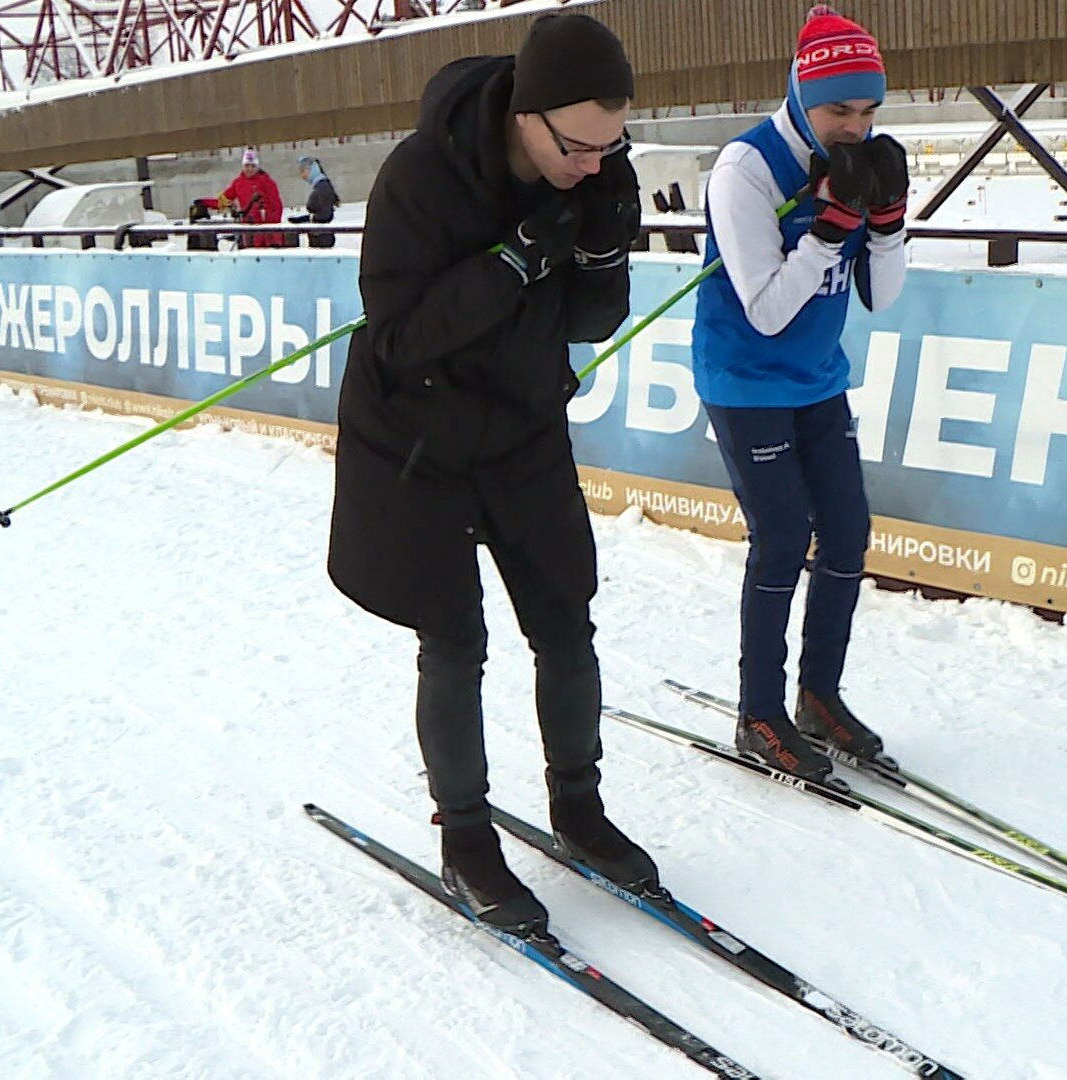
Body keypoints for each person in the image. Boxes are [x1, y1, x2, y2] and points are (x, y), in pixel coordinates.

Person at [326, 13, 651, 933]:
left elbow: (590, 321)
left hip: (522, 427)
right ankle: (467, 839)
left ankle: (579, 810)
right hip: (416, 442)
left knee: (564, 620)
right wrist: (511, 263)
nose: (593, 163)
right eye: (578, 145)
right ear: (526, 112)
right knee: (456, 640)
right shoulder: (420, 178)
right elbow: (396, 340)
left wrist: (599, 251)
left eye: (611, 145)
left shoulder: (595, 169)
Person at [690, 5, 909, 782]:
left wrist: (885, 224)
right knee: (782, 535)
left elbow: (880, 298)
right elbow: (769, 311)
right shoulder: (746, 170)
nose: (854, 127)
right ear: (799, 97)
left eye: (868, 110)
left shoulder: (854, 156)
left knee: (847, 532)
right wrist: (827, 229)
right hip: (747, 378)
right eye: (838, 110)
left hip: (819, 377)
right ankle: (758, 711)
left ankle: (819, 695)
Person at [220, 148, 285, 248]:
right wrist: (204, 203)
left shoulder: (267, 182)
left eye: (253, 166)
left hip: (267, 233)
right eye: (247, 166)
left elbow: (276, 207)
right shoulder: (238, 183)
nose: (249, 169)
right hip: (249, 233)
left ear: (257, 167)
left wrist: (271, 231)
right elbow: (222, 200)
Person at [298, 156, 341, 247]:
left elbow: (326, 215)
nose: (302, 175)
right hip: (318, 236)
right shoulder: (320, 186)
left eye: (303, 171)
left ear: (311, 170)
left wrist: (308, 218)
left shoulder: (322, 187)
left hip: (322, 238)